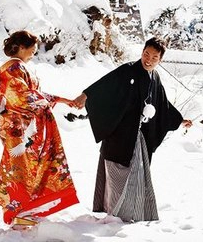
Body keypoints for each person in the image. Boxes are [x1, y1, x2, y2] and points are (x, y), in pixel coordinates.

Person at [73, 37, 192, 222]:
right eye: (146, 54)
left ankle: (130, 214)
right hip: (119, 135)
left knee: (136, 177)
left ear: (160, 60)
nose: (149, 60)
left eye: (154, 57)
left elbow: (162, 105)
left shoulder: (156, 78)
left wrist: (179, 120)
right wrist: (85, 96)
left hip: (139, 139)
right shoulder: (128, 70)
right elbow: (105, 85)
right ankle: (114, 216)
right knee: (116, 175)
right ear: (142, 52)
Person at [0, 30, 79, 227]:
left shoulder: (18, 68)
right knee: (22, 170)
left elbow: (33, 94)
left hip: (29, 128)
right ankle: (21, 212)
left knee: (32, 168)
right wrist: (44, 104)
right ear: (21, 48)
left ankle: (27, 211)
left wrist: (60, 100)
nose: (33, 53)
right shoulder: (12, 70)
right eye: (32, 49)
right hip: (21, 131)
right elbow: (20, 96)